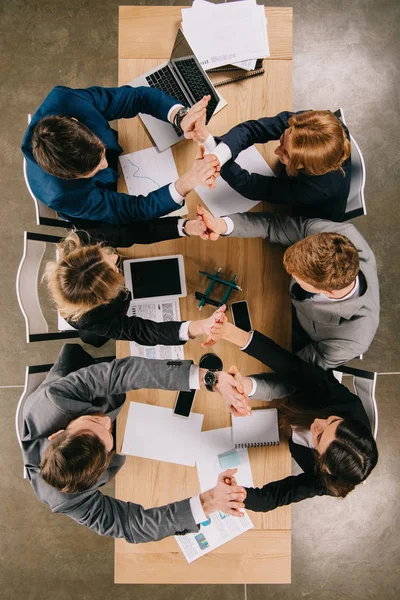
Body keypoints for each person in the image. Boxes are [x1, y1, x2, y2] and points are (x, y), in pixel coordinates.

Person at [21, 343, 249, 544]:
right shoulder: (68, 502)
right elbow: (132, 525)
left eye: (92, 421)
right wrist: (210, 502)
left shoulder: (54, 401)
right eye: (107, 434)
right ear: (101, 468)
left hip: (77, 382)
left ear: (58, 434)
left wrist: (211, 379)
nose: (104, 420)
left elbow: (123, 373)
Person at [204, 315, 378, 511]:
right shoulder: (347, 406)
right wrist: (231, 333)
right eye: (333, 421)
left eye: (319, 437)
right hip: (300, 393)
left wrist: (238, 496)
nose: (319, 422)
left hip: (288, 421)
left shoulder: (328, 483)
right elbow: (295, 370)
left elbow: (276, 497)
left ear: (324, 467)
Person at [196, 206, 380, 370]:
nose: (293, 278)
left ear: (328, 292)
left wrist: (247, 382)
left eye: (299, 280)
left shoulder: (353, 339)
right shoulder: (335, 236)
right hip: (270, 288)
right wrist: (222, 225)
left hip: (290, 336)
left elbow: (299, 371)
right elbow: (273, 225)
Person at [21, 86, 220, 224]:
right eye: (94, 170)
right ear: (71, 178)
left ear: (76, 121)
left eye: (101, 155)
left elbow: (137, 98)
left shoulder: (66, 100)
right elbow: (133, 210)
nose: (106, 165)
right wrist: (188, 181)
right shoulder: (63, 196)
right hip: (96, 210)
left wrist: (181, 117)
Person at [44, 219, 220, 347]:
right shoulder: (91, 319)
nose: (115, 256)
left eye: (101, 253)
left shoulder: (82, 240)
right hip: (95, 318)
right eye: (113, 267)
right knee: (92, 338)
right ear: (106, 293)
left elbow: (130, 232)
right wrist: (199, 326)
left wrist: (183, 227)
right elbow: (141, 331)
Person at [190, 110, 351, 221]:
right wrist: (219, 152)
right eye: (282, 140)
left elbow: (253, 186)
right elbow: (253, 130)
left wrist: (217, 157)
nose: (276, 151)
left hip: (308, 217)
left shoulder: (314, 190)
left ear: (303, 166)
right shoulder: (308, 125)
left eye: (286, 154)